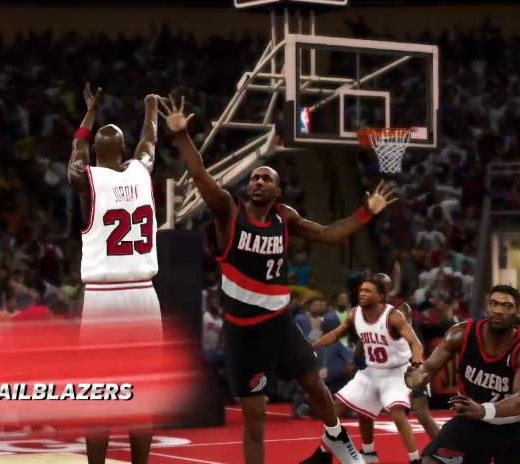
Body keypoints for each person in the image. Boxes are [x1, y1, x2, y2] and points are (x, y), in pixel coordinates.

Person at [159, 95, 397, 464]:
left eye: (265, 178)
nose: (257, 181)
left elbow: (330, 234)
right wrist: (181, 136)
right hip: (243, 334)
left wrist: (366, 213)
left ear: (277, 191)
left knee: (314, 384)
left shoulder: (285, 218)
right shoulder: (229, 212)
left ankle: (336, 436)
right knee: (255, 420)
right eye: (255, 177)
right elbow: (201, 176)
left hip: (279, 323)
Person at [67, 82, 160, 464]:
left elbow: (76, 153)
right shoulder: (140, 171)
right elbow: (149, 143)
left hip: (105, 298)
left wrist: (90, 114)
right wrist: (151, 108)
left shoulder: (89, 180)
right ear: (123, 151)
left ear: (96, 153)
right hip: (143, 294)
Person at [405, 285, 520, 464]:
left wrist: (484, 410)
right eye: (493, 303)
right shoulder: (460, 334)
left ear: (517, 311)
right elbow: (429, 367)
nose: (498, 310)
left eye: (506, 306)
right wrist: (417, 376)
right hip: (471, 421)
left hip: (514, 424)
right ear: (486, 306)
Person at [304, 276, 424, 464]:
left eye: (367, 291)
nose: (362, 293)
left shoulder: (393, 316)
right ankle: (361, 453)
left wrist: (416, 366)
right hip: (373, 370)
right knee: (338, 408)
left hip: (396, 371)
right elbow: (336, 334)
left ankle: (415, 460)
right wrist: (312, 346)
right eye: (361, 290)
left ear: (380, 296)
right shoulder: (355, 314)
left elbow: (416, 344)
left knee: (397, 413)